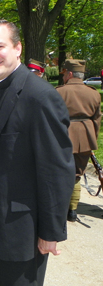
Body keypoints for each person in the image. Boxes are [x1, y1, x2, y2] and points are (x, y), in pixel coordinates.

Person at [0, 18, 75, 286]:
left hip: (23, 229)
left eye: (0, 46)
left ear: (17, 48)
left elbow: (57, 170)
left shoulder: (39, 96)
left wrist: (51, 230)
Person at [56, 59, 101, 222]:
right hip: (85, 136)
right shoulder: (94, 93)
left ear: (69, 74)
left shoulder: (59, 92)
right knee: (76, 174)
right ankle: (72, 211)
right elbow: (97, 120)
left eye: (64, 74)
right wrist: (91, 138)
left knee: (60, 172)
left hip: (63, 136)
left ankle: (60, 208)